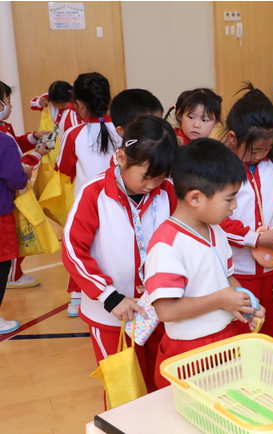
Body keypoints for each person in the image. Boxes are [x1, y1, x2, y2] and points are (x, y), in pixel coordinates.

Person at [62, 116, 177, 397]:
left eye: (160, 178)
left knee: (160, 384)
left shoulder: (168, 193)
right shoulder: (94, 193)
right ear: (121, 157)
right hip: (111, 316)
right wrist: (109, 296)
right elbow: (73, 250)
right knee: (123, 392)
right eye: (146, 177)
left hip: (157, 312)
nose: (152, 185)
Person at [145, 138, 265, 388]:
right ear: (196, 198)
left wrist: (244, 304)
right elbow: (166, 310)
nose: (234, 207)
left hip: (224, 339)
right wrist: (221, 300)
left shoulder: (216, 231)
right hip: (189, 351)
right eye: (229, 199)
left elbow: (227, 277)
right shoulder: (167, 244)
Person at [219, 83, 273, 339]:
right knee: (242, 333)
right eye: (255, 150)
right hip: (239, 273)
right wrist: (256, 238)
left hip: (272, 268)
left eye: (267, 149)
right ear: (233, 138)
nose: (261, 155)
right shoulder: (222, 171)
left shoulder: (271, 167)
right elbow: (220, 222)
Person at [57, 72, 122, 317]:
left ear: (79, 105)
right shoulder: (121, 130)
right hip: (119, 204)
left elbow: (63, 167)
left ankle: (77, 297)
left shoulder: (74, 134)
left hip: (87, 206)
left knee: (82, 249)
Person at [0, 80, 50, 290]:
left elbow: (15, 144)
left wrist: (32, 137)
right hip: (7, 199)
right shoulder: (3, 140)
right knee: (11, 243)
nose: (10, 106)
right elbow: (15, 172)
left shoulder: (5, 130)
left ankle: (14, 272)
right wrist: (37, 155)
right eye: (7, 101)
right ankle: (12, 275)